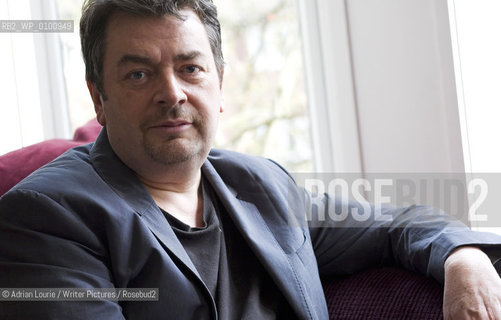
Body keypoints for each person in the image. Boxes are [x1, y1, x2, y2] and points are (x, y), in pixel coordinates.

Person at [1, 0, 501, 319]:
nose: (171, 93)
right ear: (98, 98)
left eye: (190, 68)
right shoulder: (44, 216)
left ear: (218, 84)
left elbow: (397, 225)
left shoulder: (262, 185)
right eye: (138, 75)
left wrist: (464, 258)